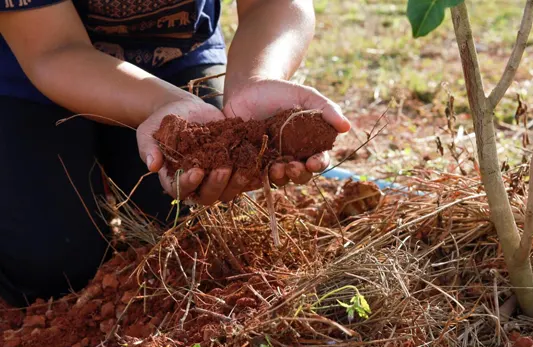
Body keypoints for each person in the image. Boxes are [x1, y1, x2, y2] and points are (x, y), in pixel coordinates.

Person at [0, 0, 351, 307]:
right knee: (53, 267)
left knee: (201, 230)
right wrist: (161, 103)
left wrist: (256, 79)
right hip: (28, 72)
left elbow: (272, 3)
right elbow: (54, 49)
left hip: (175, 59)